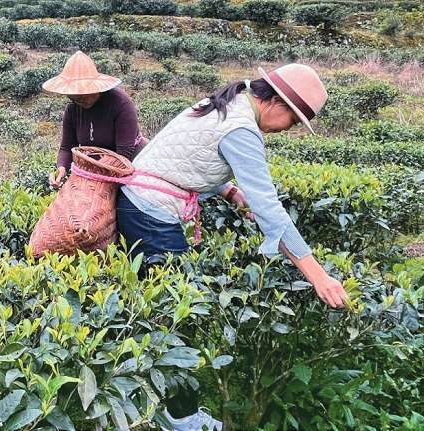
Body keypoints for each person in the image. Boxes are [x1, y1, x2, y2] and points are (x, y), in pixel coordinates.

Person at [117, 64, 350, 430]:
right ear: (276, 102)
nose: (287, 130)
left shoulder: (227, 104)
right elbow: (270, 209)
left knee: (161, 309)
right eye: (292, 121)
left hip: (140, 203)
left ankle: (155, 404)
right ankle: (182, 420)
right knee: (179, 318)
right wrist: (317, 275)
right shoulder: (241, 128)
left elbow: (188, 157)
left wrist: (228, 189)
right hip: (152, 213)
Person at [41, 51, 146, 188]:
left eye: (84, 94)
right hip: (95, 171)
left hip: (128, 167)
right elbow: (67, 147)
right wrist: (61, 169)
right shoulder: (72, 110)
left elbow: (124, 153)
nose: (80, 100)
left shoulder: (120, 103)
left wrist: (98, 180)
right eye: (74, 97)